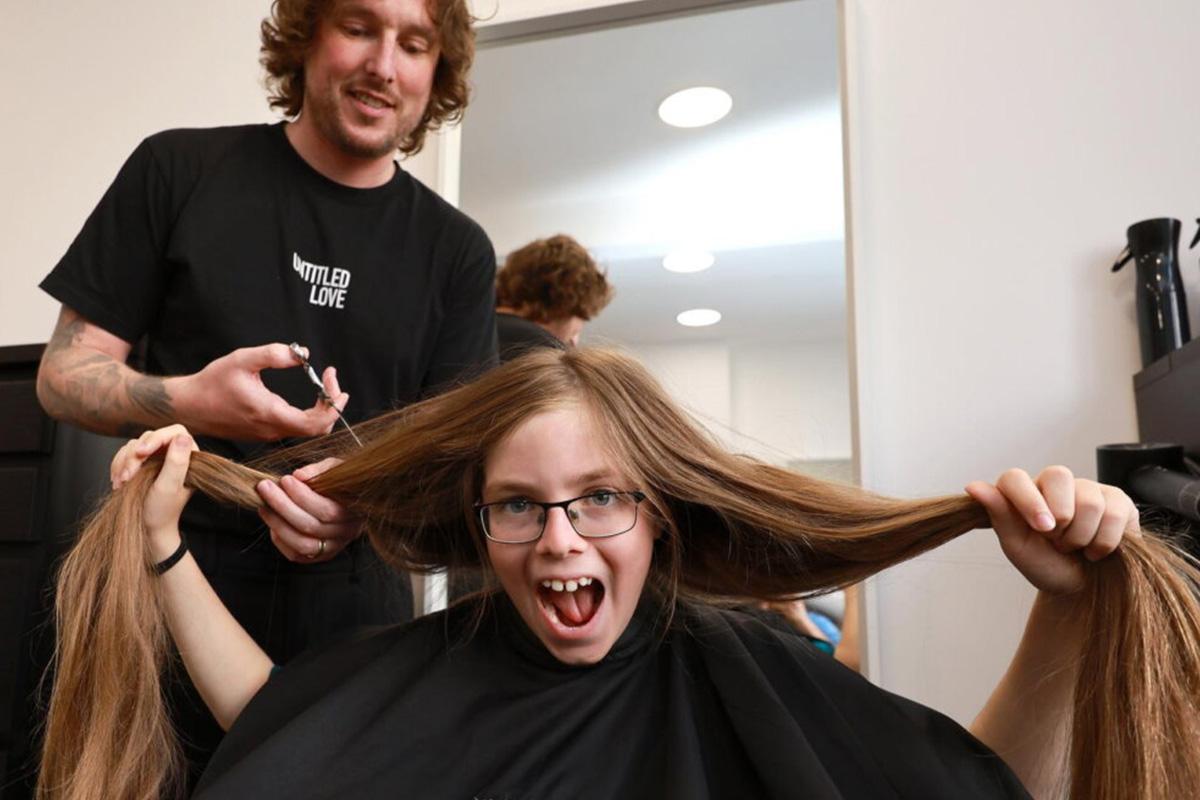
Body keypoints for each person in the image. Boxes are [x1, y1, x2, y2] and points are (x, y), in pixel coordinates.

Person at [39, 348, 1200, 800]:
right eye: (520, 505)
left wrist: (1062, 608)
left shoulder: (747, 671)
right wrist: (163, 551)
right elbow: (282, 724)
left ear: (657, 514)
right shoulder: (435, 664)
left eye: (601, 498)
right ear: (480, 518)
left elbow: (973, 788)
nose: (561, 540)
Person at [33, 0, 497, 780]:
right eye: (358, 27)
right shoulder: (178, 171)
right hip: (165, 588)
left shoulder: (457, 253)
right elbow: (62, 377)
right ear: (308, 36)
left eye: (414, 45)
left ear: (435, 72)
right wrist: (190, 399)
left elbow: (459, 470)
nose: (384, 65)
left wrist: (363, 507)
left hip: (356, 621)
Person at [495, 234, 612, 359]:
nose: (574, 341)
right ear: (569, 305)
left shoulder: (479, 326)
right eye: (583, 319)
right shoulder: (541, 356)